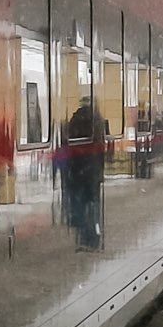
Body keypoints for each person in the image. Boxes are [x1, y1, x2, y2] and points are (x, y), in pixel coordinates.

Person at [58, 95, 109, 251]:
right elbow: (102, 148)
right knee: (93, 204)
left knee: (79, 204)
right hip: (92, 171)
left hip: (77, 170)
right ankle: (94, 237)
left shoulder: (74, 120)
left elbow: (66, 142)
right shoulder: (99, 121)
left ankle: (82, 235)